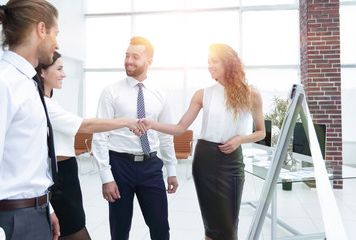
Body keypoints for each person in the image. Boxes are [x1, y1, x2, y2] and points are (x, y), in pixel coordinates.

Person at [139, 43, 266, 240]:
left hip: (232, 161)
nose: (210, 66)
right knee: (212, 227)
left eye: (214, 61)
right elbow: (180, 128)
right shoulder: (203, 94)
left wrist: (240, 139)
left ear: (228, 63)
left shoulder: (251, 94)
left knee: (229, 226)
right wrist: (152, 124)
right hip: (205, 160)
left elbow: (261, 133)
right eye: (208, 62)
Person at [0, 1, 61, 239]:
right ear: (41, 29)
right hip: (10, 224)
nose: (57, 43)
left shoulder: (28, 83)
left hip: (36, 214)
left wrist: (45, 207)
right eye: (55, 34)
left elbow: (26, 160)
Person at [35, 51, 143, 240]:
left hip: (66, 177)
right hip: (59, 180)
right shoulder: (43, 105)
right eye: (59, 69)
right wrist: (126, 122)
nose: (64, 74)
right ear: (42, 72)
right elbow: (86, 125)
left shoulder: (50, 102)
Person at [92, 36, 179, 240]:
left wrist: (172, 170)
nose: (129, 61)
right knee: (120, 229)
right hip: (120, 166)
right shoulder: (111, 91)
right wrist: (106, 177)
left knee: (160, 227)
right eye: (127, 55)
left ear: (149, 61)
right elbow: (100, 135)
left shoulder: (160, 95)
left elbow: (165, 135)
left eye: (135, 57)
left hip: (151, 166)